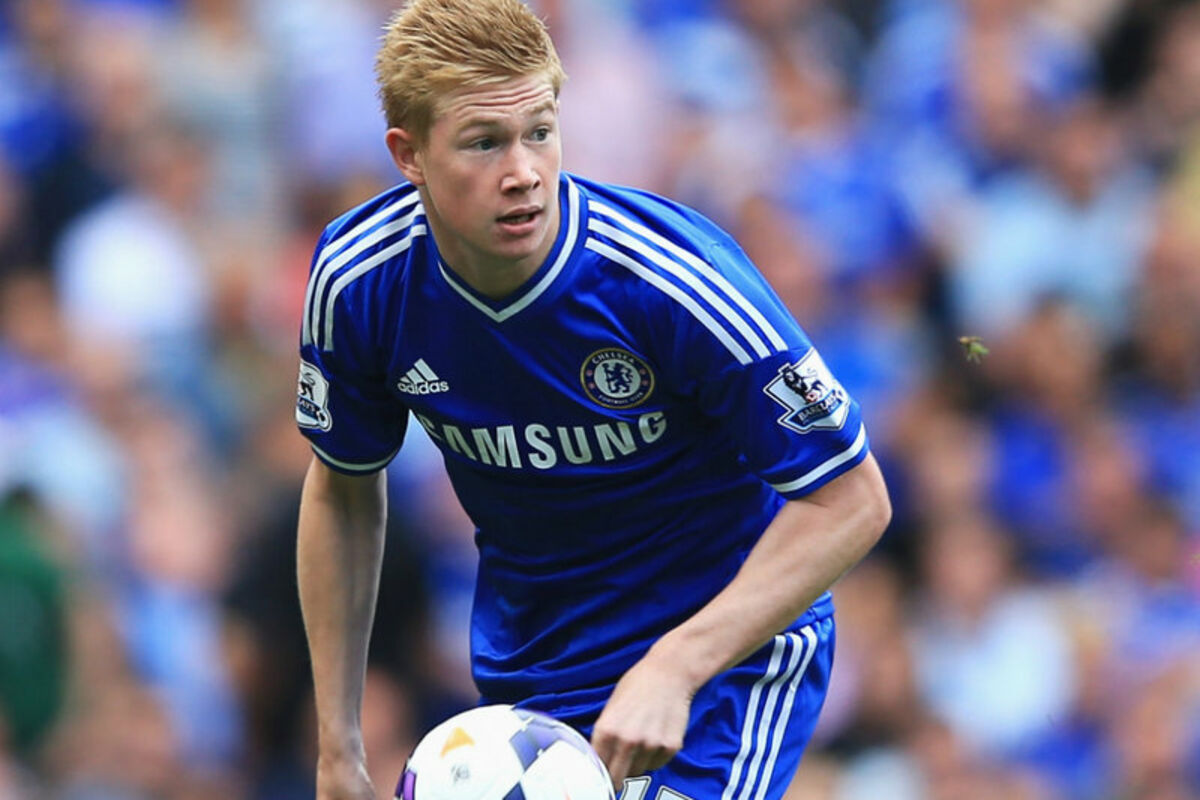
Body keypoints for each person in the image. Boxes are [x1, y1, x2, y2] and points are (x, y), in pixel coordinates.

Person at [293, 1, 891, 798]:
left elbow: (853, 498)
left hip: (725, 664)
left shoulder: (670, 280)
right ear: (410, 155)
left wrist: (677, 664)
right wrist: (339, 746)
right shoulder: (360, 281)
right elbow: (342, 486)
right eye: (484, 142)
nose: (524, 172)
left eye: (540, 132)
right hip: (536, 676)